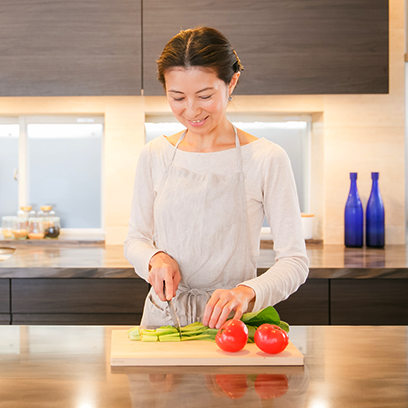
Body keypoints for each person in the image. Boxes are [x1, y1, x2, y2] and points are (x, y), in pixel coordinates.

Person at [124, 26, 309, 330]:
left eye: (205, 95)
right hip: (163, 319)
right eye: (178, 97)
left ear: (231, 82)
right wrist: (154, 258)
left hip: (231, 324)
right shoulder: (155, 154)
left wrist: (248, 292)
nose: (192, 110)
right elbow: (135, 239)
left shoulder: (266, 158)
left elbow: (294, 262)